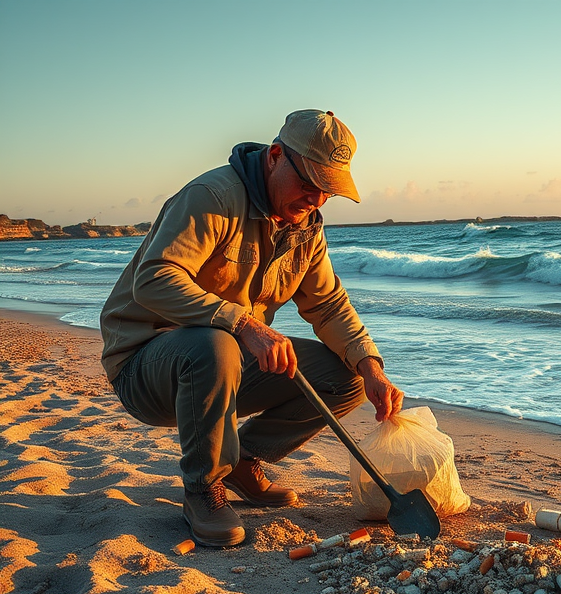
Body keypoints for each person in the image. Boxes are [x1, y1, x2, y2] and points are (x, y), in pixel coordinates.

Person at [100, 109, 404, 548]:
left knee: (345, 377)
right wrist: (242, 322)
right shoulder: (212, 196)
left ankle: (244, 461)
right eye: (308, 184)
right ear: (275, 156)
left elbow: (329, 305)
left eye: (327, 191)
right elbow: (153, 279)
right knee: (215, 343)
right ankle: (204, 489)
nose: (316, 201)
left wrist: (371, 366)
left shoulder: (304, 227)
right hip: (146, 365)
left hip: (224, 364)